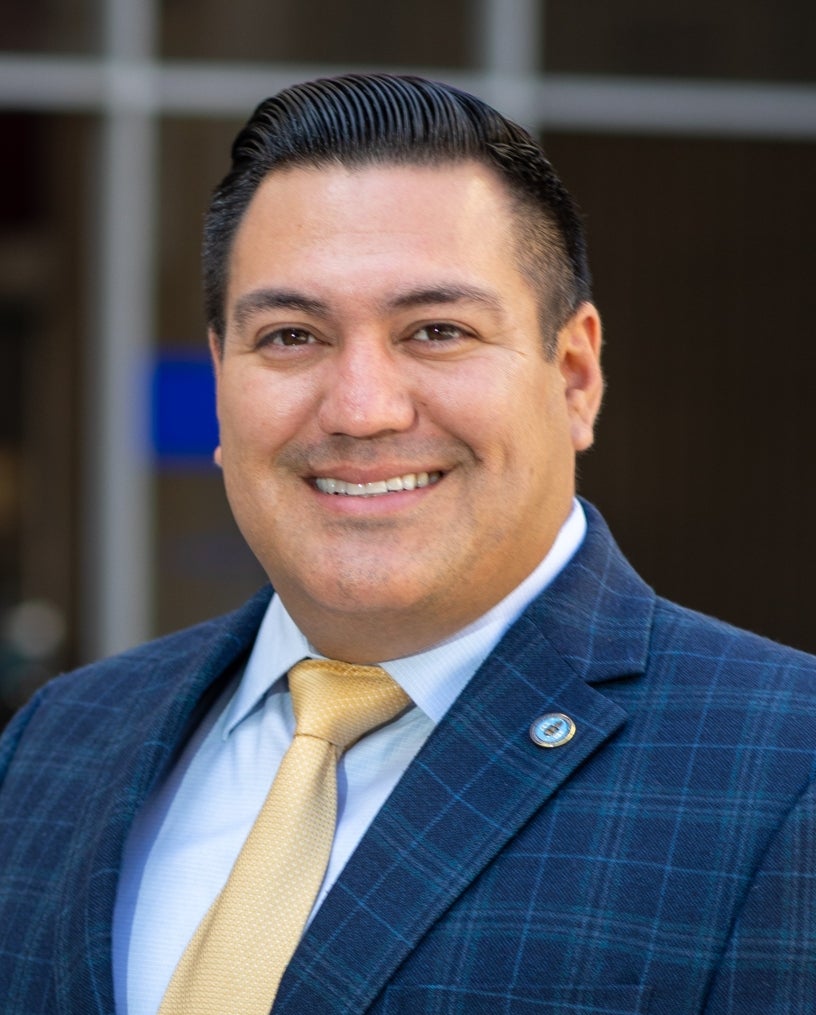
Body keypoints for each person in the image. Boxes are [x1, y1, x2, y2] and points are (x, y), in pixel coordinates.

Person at [0, 73, 814, 1015]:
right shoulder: (55, 741)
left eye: (437, 330)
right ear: (221, 379)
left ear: (576, 376)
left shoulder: (787, 774)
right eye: (292, 335)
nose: (362, 409)